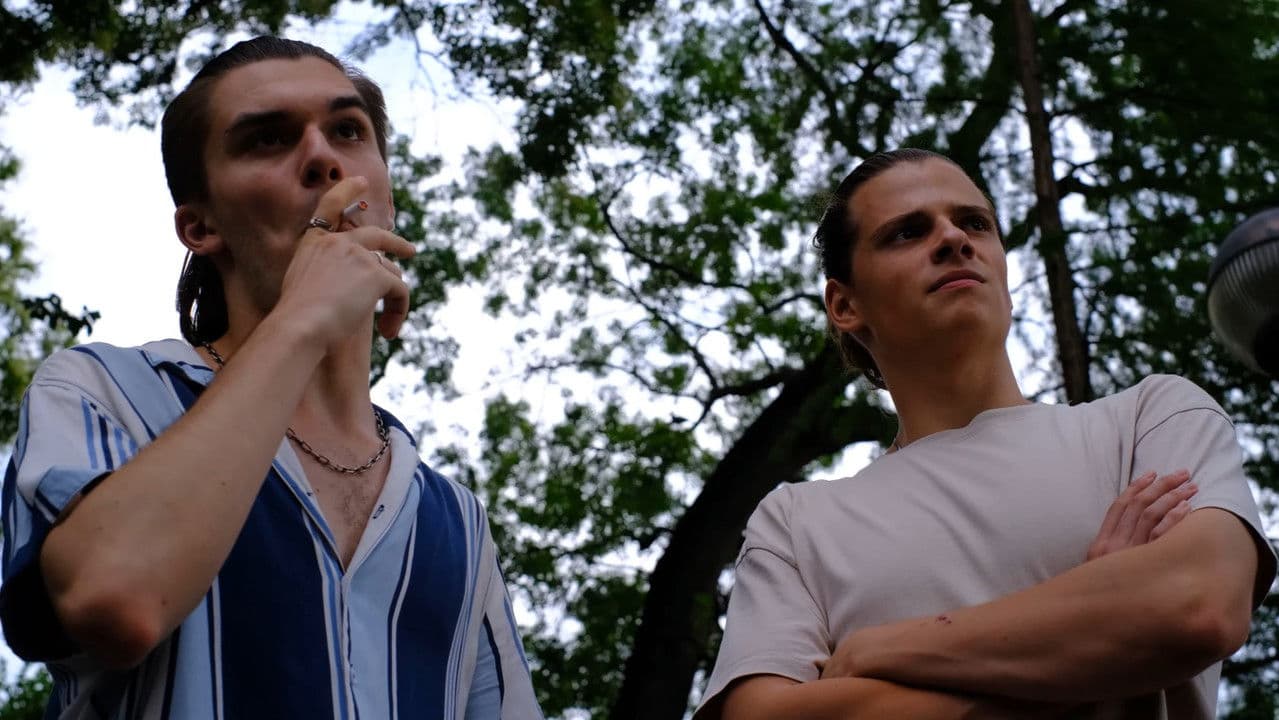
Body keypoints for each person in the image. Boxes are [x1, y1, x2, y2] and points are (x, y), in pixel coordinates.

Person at [0, 36, 542, 720]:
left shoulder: (457, 519)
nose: (322, 157)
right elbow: (113, 601)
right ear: (200, 227)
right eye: (267, 139)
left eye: (348, 130)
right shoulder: (100, 389)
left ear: (386, 191)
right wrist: (300, 319)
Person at [695, 149, 1277, 719]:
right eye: (907, 232)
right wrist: (1095, 622)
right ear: (845, 304)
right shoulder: (796, 525)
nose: (953, 239)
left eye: (975, 222)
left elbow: (1199, 606)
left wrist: (880, 650)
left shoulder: (1152, 418)